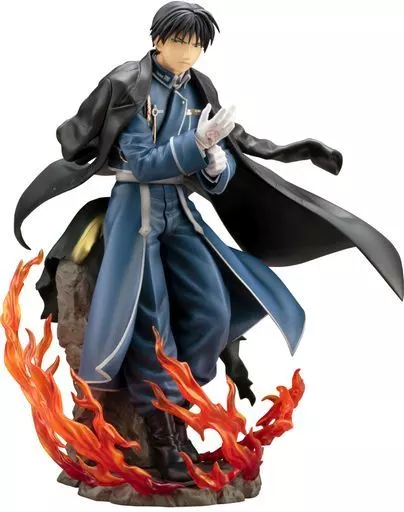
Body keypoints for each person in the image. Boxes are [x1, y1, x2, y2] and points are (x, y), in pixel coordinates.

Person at [14, 1, 403, 483]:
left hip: (179, 210)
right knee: (150, 322)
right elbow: (142, 162)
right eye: (180, 41)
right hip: (136, 210)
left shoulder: (199, 87)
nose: (188, 52)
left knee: (215, 311)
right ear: (158, 39)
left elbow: (220, 160)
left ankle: (179, 404)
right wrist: (195, 146)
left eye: (197, 44)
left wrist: (219, 164)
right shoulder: (129, 83)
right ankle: (164, 437)